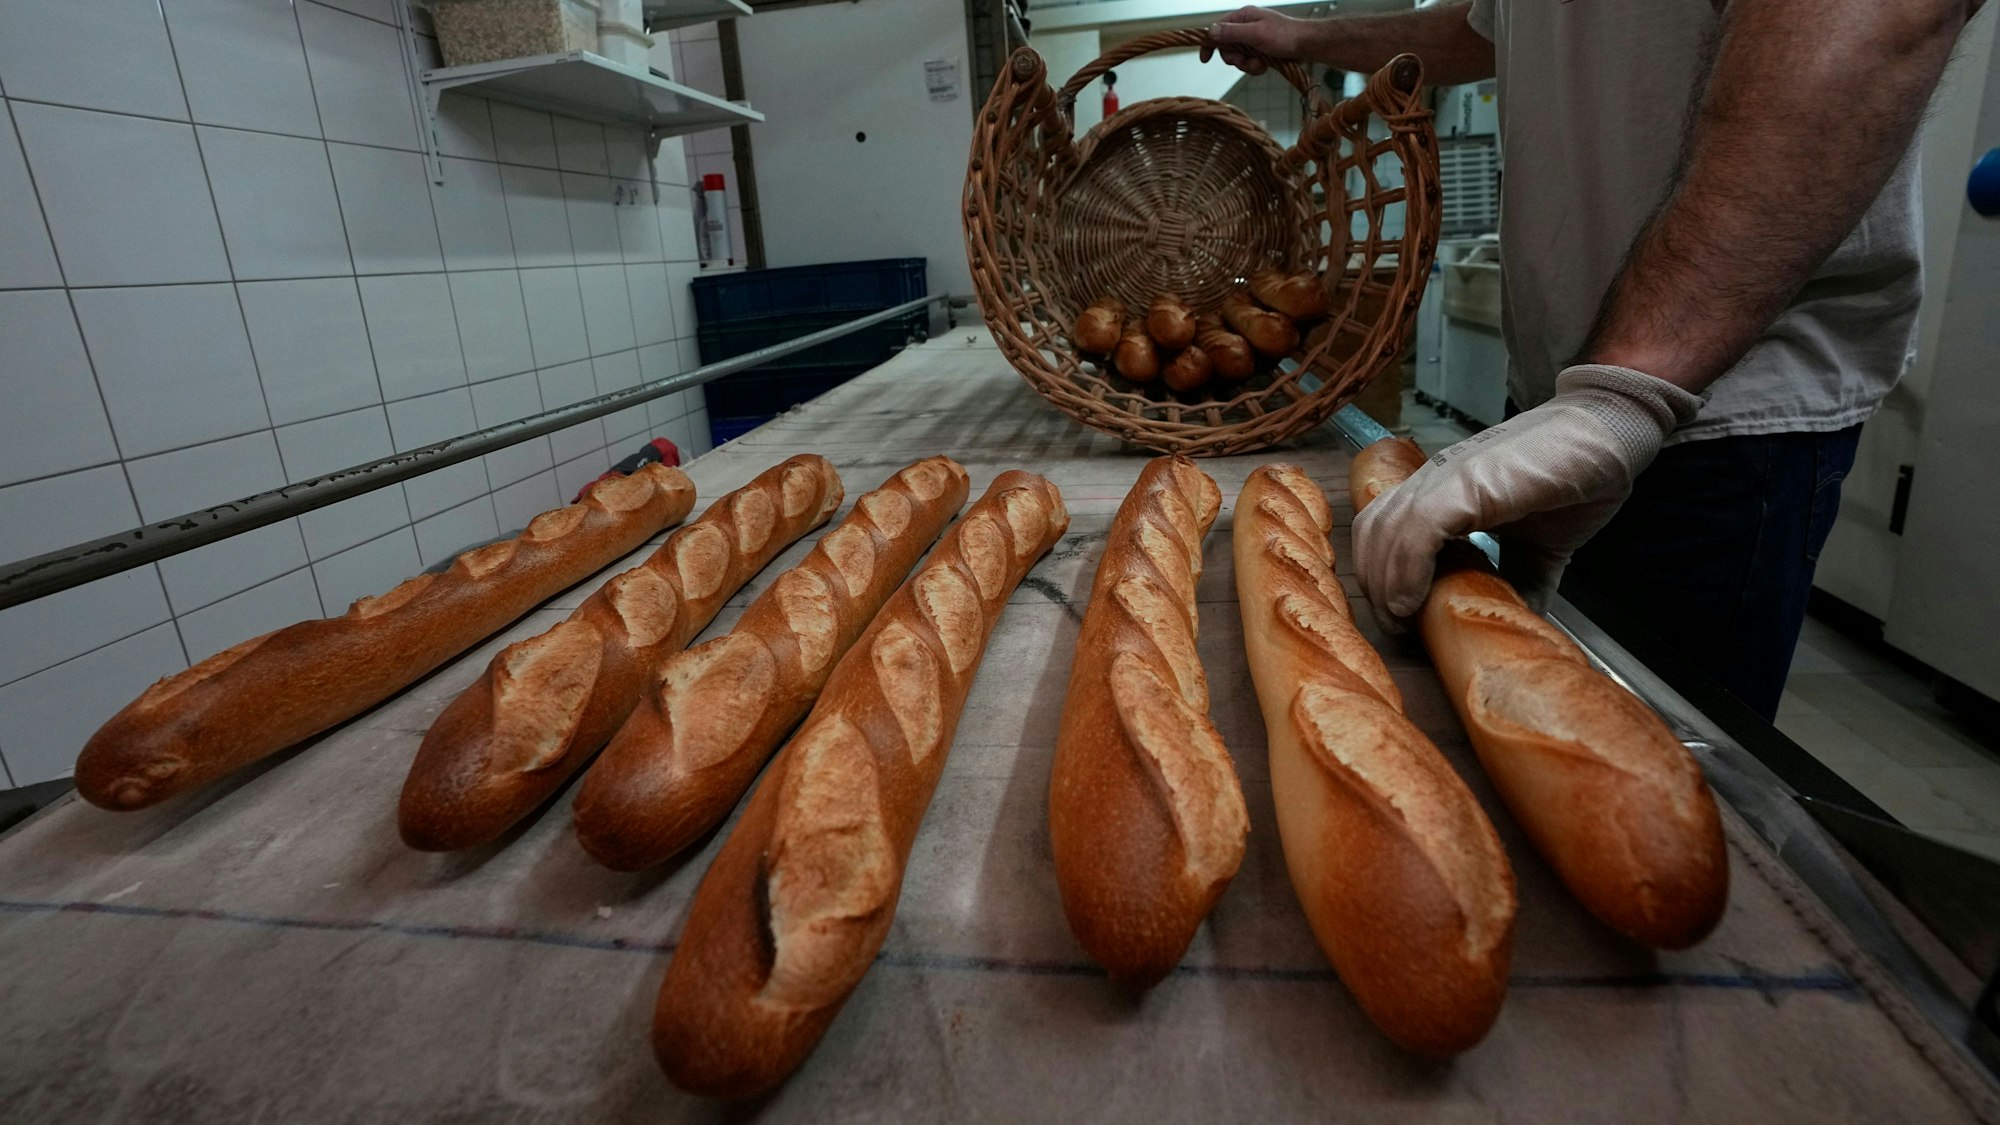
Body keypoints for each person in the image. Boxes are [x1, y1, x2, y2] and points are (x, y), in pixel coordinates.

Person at [1205, 1, 1981, 720]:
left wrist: (1624, 395)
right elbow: (1490, 27)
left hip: (1722, 407)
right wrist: (1303, 37)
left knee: (1663, 771)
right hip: (1558, 404)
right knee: (1521, 711)